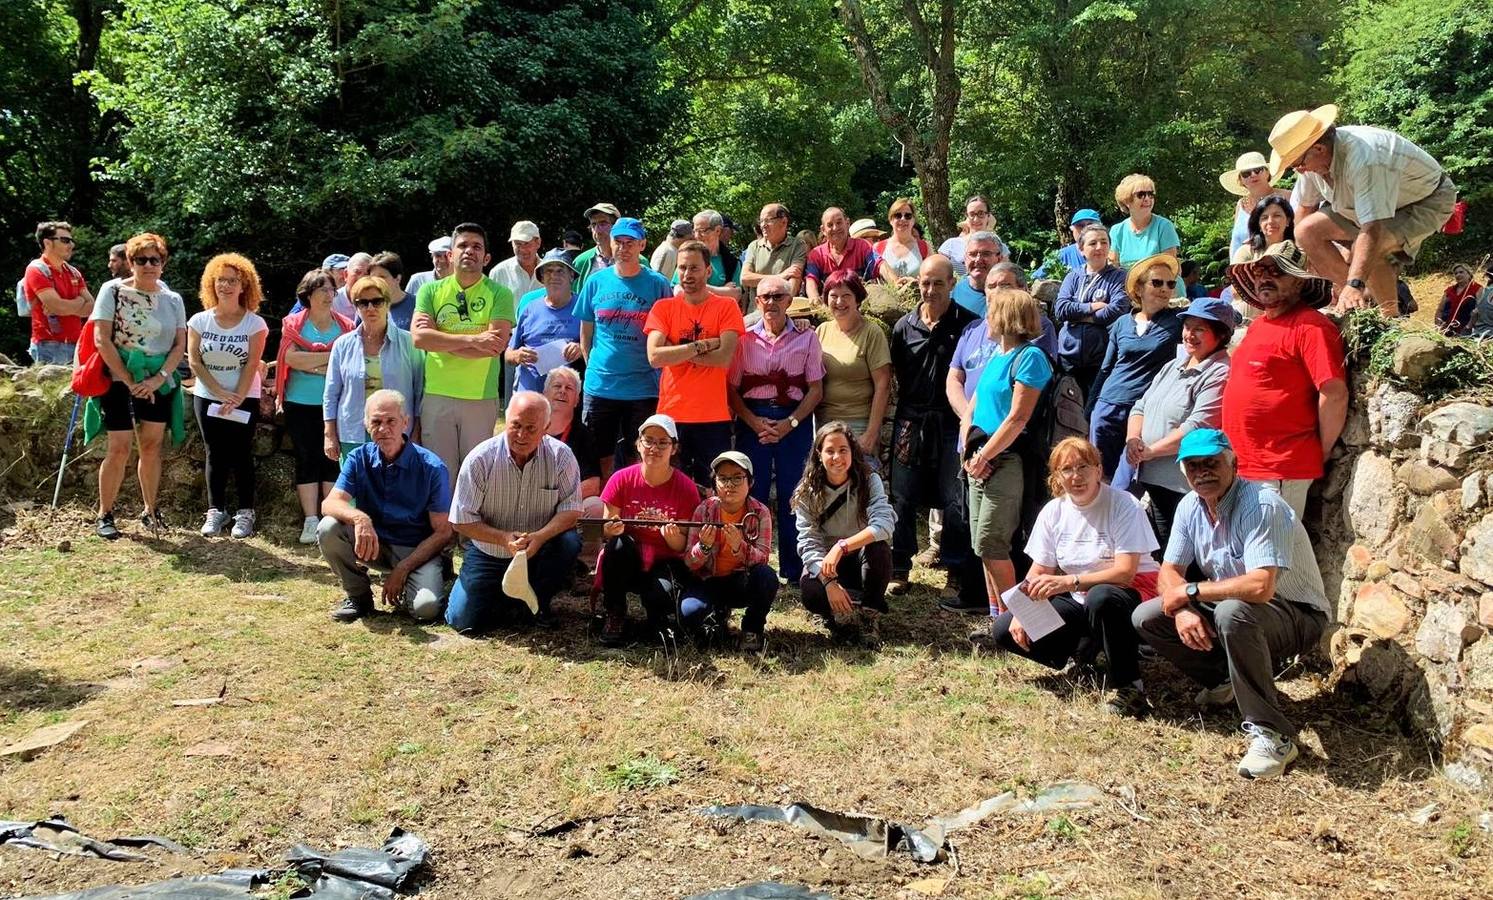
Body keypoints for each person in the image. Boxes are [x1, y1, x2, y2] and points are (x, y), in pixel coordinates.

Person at [1132, 429, 1330, 781]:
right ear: (1183, 472)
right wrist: (1181, 609)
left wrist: (1189, 594)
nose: (1202, 472)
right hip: (1240, 611)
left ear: (1234, 463)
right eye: (1193, 466)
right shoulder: (1190, 506)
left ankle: (1274, 735)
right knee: (1148, 615)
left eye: (1212, 462)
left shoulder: (1261, 504)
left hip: (1297, 614)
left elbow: (1261, 586)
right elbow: (1168, 571)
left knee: (1232, 612)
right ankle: (1224, 680)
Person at [976, 438, 1161, 717]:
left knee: (1103, 597)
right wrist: (1020, 611)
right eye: (1067, 469)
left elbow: (1125, 572)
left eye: (1084, 466)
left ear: (1099, 470)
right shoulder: (1054, 511)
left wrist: (1068, 581)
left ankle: (1129, 685)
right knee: (1003, 629)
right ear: (1057, 477)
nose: (1076, 476)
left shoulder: (1123, 504)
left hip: (1132, 595)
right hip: (1083, 599)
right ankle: (1083, 652)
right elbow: (1039, 571)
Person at [1272, 104, 1457, 316]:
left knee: (1377, 247)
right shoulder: (1312, 163)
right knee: (1306, 232)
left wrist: (1355, 281)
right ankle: (1367, 303)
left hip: (1426, 200)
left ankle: (1390, 321)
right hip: (1364, 210)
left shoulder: (1365, 158)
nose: (1299, 170)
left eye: (1298, 164)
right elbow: (1304, 211)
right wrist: (1300, 263)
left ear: (1319, 149)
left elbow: (1372, 230)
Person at [1221, 241, 1347, 521]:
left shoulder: (1311, 327)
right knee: (1271, 559)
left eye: (1279, 271)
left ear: (1299, 283)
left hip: (1279, 468)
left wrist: (1323, 449)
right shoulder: (1259, 326)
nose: (1266, 276)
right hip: (1244, 465)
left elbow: (1334, 392)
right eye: (1260, 270)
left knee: (1273, 559)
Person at [887, 255, 984, 608]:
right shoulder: (903, 326)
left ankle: (955, 571)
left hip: (951, 424)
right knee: (901, 495)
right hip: (911, 421)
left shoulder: (970, 326)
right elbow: (898, 372)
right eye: (924, 282)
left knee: (955, 498)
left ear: (952, 284)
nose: (930, 289)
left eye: (938, 283)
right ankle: (898, 567)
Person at [445, 391, 584, 632]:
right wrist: (502, 537)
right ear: (505, 420)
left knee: (569, 542)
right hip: (489, 552)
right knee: (462, 622)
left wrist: (540, 537)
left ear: (546, 427)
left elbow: (572, 509)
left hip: (539, 551)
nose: (521, 435)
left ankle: (538, 601)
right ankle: (507, 597)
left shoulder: (561, 456)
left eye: (531, 428)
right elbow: (461, 521)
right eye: (516, 425)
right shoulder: (480, 459)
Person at [319, 390, 451, 624]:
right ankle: (358, 595)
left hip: (415, 549)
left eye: (391, 421)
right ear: (366, 425)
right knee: (329, 528)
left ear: (405, 422)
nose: (383, 429)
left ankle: (431, 574)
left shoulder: (431, 467)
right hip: (374, 545)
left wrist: (403, 569)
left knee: (426, 610)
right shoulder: (358, 458)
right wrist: (361, 520)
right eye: (376, 422)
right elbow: (329, 503)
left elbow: (443, 531)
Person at [960, 288, 1053, 615]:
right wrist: (969, 456)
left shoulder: (1030, 357)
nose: (986, 317)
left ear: (1007, 316)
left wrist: (985, 457)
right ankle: (997, 618)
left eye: (991, 311)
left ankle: (1023, 622)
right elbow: (973, 409)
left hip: (1007, 461)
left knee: (992, 542)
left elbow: (1018, 417)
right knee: (982, 545)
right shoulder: (996, 357)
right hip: (979, 461)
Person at [89, 232, 187, 540]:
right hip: (118, 379)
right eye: (141, 259)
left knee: (151, 446)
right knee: (119, 448)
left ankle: (150, 509)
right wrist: (129, 381)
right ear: (130, 262)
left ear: (163, 263)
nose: (148, 265)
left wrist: (158, 379)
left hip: (157, 381)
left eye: (154, 260)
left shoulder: (172, 299)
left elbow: (179, 344)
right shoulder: (112, 290)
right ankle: (105, 513)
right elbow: (101, 338)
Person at [729, 278, 822, 583]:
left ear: (789, 300)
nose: (771, 302)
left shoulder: (807, 338)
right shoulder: (743, 339)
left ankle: (794, 571)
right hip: (752, 420)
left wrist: (790, 424)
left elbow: (815, 390)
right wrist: (754, 422)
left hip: (792, 421)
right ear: (757, 302)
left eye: (778, 296)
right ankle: (750, 564)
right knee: (750, 493)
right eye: (765, 297)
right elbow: (732, 390)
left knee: (793, 493)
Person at [1126, 296, 1234, 546]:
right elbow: (1140, 405)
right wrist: (1133, 440)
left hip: (1183, 484)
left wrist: (1151, 451)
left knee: (1181, 553)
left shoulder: (1220, 372)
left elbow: (1198, 426)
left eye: (1199, 329)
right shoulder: (1173, 365)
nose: (1189, 334)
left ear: (1220, 335)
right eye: (1187, 327)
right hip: (1152, 477)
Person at [410, 223, 515, 479]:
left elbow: (495, 345)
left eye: (477, 247)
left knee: (475, 473)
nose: (469, 251)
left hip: (480, 397)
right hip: (437, 393)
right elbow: (420, 338)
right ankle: (442, 521)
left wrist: (441, 338)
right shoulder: (430, 290)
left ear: (486, 258)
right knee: (439, 472)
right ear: (450, 255)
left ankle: (470, 521)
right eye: (463, 245)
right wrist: (473, 339)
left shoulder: (500, 294)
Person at [575, 216, 675, 480]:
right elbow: (586, 331)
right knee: (597, 453)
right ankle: (601, 507)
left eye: (630, 242)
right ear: (610, 243)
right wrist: (592, 365)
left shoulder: (657, 284)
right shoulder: (596, 282)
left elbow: (668, 332)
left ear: (642, 244)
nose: (624, 247)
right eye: (618, 241)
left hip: (643, 386)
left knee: (639, 453)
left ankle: (631, 507)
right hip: (601, 385)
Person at [645, 240, 744, 487]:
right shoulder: (664, 308)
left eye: (694, 268)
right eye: (682, 268)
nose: (687, 274)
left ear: (708, 271)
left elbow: (723, 358)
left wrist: (674, 350)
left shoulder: (726, 306)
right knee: (670, 488)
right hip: (671, 415)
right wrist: (702, 345)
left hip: (713, 417)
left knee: (713, 490)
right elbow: (655, 357)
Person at [597, 414, 701, 647]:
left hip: (666, 559)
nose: (655, 448)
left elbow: (683, 545)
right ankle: (615, 611)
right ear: (638, 444)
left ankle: (658, 617)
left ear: (674, 448)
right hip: (629, 556)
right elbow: (605, 530)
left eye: (663, 442)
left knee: (660, 596)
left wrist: (673, 538)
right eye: (649, 440)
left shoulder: (686, 488)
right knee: (618, 544)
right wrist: (613, 529)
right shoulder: (620, 479)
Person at [792, 421, 896, 645]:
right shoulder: (807, 491)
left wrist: (842, 546)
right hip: (827, 564)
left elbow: (885, 524)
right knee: (810, 590)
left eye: (843, 450)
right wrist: (829, 583)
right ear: (819, 454)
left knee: (879, 549)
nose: (837, 457)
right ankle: (837, 614)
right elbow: (808, 542)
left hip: (860, 558)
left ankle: (869, 614)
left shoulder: (869, 481)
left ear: (852, 452)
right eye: (830, 451)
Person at [188, 253, 269, 539]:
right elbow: (195, 361)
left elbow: (252, 363)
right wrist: (219, 392)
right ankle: (216, 510)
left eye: (233, 280)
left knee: (241, 453)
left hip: (244, 397)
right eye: (221, 280)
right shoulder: (199, 320)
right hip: (208, 395)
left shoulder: (254, 324)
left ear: (244, 285)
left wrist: (235, 396)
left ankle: (246, 512)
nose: (226, 286)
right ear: (212, 283)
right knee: (215, 452)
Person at [1088, 253, 1184, 484]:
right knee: (1098, 477)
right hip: (1108, 406)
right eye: (1157, 282)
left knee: (1126, 482)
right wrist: (1091, 408)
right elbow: (1106, 368)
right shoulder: (1122, 323)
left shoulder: (1178, 321)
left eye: (1170, 284)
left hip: (1144, 411)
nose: (1164, 289)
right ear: (1139, 289)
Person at [275, 268, 354, 543]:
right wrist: (328, 361)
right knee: (307, 458)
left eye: (331, 290)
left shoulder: (346, 325)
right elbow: (291, 360)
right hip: (299, 402)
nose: (328, 295)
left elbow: (346, 361)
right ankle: (311, 520)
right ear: (307, 295)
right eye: (322, 290)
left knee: (332, 458)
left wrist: (314, 361)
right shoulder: (294, 324)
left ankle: (331, 516)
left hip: (334, 404)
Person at [681, 451, 777, 650]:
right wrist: (704, 547)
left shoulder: (760, 513)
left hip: (740, 581)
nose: (729, 485)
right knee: (691, 615)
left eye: (737, 478)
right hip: (708, 580)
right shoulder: (703, 511)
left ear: (749, 483)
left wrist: (739, 547)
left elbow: (763, 558)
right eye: (723, 478)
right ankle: (718, 616)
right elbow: (689, 562)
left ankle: (752, 629)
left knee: (766, 577)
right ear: (715, 484)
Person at [324, 276, 425, 462]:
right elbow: (331, 394)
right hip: (353, 434)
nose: (370, 308)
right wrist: (329, 433)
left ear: (388, 303)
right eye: (363, 303)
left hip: (397, 435)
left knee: (395, 489)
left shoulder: (409, 343)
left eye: (377, 301)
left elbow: (420, 392)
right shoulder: (342, 345)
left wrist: (417, 431)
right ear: (356, 307)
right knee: (354, 490)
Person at [815, 271, 891, 465]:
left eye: (846, 295)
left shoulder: (871, 333)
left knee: (859, 485)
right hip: (825, 423)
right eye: (833, 296)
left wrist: (871, 433)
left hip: (858, 424)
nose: (839, 301)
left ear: (858, 299)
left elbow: (883, 385)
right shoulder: (821, 331)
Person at [1053, 223, 1129, 400]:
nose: (1099, 247)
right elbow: (1061, 309)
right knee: (1066, 410)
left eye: (1104, 242)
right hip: (1067, 358)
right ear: (1081, 249)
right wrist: (1092, 307)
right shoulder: (1073, 276)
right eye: (1093, 243)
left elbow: (1117, 310)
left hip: (1099, 358)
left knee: (1092, 408)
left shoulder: (1119, 277)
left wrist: (1079, 317)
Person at [542, 366, 604, 569]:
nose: (562, 391)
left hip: (569, 505)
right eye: (557, 386)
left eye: (569, 388)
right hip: (530, 504)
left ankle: (585, 565)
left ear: (577, 400)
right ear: (545, 393)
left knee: (595, 506)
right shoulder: (531, 428)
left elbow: (593, 485)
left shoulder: (583, 435)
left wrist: (557, 499)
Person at [507, 249, 583, 393]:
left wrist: (581, 348)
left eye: (560, 271)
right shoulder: (529, 308)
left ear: (571, 275)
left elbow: (598, 347)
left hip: (564, 398)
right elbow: (508, 353)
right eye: (548, 271)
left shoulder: (582, 307)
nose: (554, 276)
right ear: (541, 277)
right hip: (530, 396)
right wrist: (518, 356)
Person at [23, 221, 93, 365]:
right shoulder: (36, 269)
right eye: (65, 240)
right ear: (47, 243)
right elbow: (57, 307)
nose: (71, 245)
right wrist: (80, 301)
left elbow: (92, 307)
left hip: (76, 344)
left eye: (71, 241)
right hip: (48, 346)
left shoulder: (73, 272)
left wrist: (65, 307)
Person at [1109, 174, 1181, 297]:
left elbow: (1170, 267)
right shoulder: (1117, 231)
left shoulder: (1164, 226)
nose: (1147, 199)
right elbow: (1113, 267)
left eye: (1150, 194)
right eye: (1141, 195)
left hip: (1164, 291)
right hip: (1129, 293)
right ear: (1127, 200)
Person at [1221, 151, 1291, 259]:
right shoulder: (1241, 204)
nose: (1253, 175)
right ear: (1240, 180)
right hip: (1240, 267)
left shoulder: (1287, 197)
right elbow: (1235, 241)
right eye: (1246, 173)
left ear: (1267, 173)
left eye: (1258, 170)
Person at [804, 208, 882, 302]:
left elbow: (879, 264)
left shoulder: (863, 246)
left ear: (847, 223)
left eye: (839, 223)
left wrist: (895, 281)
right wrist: (814, 297)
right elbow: (811, 279)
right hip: (829, 309)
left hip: (860, 307)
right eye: (830, 225)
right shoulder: (816, 254)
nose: (835, 228)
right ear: (823, 230)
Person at [740, 203, 808, 304]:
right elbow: (745, 278)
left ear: (783, 222)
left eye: (767, 220)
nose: (763, 225)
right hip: (756, 312)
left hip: (783, 310)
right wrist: (781, 276)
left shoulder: (797, 245)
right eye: (761, 221)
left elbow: (795, 278)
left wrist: (783, 307)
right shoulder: (754, 246)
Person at [676, 210, 742, 307]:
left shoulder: (731, 262)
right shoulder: (687, 257)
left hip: (719, 318)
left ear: (718, 231)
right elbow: (678, 291)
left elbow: (736, 295)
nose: (697, 236)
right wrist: (722, 290)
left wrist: (694, 287)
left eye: (702, 231)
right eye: (695, 231)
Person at [937, 196, 1009, 277]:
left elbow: (1004, 277)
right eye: (972, 214)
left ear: (988, 216)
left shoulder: (1000, 248)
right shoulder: (950, 245)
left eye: (981, 213)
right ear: (967, 216)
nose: (976, 219)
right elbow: (939, 275)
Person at [874, 198, 931, 285]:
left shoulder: (925, 247)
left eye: (908, 216)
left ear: (913, 220)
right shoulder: (878, 248)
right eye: (898, 215)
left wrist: (915, 282)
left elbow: (933, 277)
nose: (903, 219)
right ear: (891, 220)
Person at [489, 220, 543, 300]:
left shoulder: (550, 271)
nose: (523, 249)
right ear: (512, 245)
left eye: (527, 243)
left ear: (538, 243)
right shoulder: (499, 272)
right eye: (518, 244)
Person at [573, 202, 621, 288]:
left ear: (616, 226)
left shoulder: (635, 259)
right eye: (593, 224)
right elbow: (575, 297)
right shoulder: (581, 262)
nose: (597, 230)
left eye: (603, 224)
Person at [369, 251, 416, 331]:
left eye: (382, 277)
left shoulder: (417, 305)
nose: (377, 282)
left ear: (397, 278)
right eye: (373, 278)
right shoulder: (367, 306)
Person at [1436, 264, 1480, 337]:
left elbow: (1480, 310)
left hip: (1466, 331)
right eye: (1456, 273)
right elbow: (1440, 310)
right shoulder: (1449, 291)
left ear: (1469, 274)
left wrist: (1469, 326)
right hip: (1447, 329)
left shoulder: (1477, 289)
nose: (1458, 275)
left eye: (1461, 272)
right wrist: (1438, 326)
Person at [329, 252, 372, 320]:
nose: (362, 278)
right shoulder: (331, 302)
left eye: (367, 274)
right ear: (346, 275)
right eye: (357, 272)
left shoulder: (378, 302)